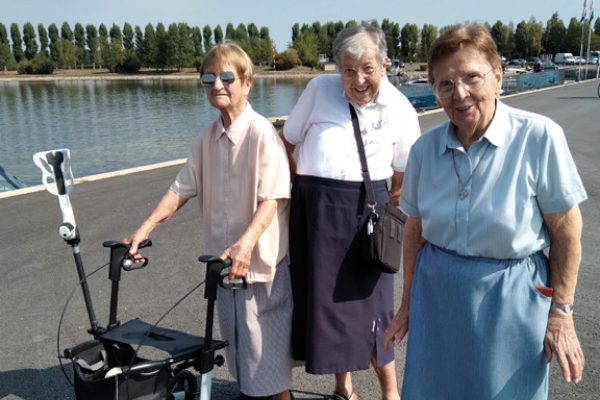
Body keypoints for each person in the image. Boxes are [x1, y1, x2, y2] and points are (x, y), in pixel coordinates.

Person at [383, 23, 587, 400]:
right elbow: (415, 231)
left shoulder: (539, 137)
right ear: (435, 91)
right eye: (445, 84)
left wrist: (561, 313)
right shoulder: (424, 150)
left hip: (512, 302)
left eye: (471, 77)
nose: (459, 93)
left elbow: (567, 232)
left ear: (497, 78)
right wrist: (408, 303)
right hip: (437, 297)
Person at [124, 42, 295, 400]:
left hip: (260, 268)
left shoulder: (262, 134)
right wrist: (144, 228)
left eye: (227, 77)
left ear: (247, 83)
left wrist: (246, 244)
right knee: (240, 355)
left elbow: (274, 198)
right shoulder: (206, 139)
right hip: (222, 267)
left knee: (269, 365)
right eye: (208, 77)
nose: (217, 84)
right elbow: (179, 191)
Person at [280, 24, 421, 400]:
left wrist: (389, 201)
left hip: (366, 213)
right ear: (337, 67)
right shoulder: (317, 90)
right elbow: (287, 140)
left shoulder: (399, 107)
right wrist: (300, 188)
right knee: (328, 308)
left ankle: (390, 394)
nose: (358, 80)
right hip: (316, 210)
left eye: (367, 68)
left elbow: (403, 174)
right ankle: (344, 388)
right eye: (348, 69)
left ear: (385, 64)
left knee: (375, 312)